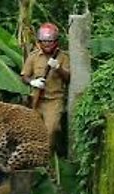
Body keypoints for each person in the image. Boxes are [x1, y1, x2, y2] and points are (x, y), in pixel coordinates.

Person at [20, 22, 70, 153]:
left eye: (50, 41)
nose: (47, 44)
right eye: (44, 42)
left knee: (50, 130)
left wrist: (58, 68)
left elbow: (68, 78)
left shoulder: (63, 57)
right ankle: (34, 155)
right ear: (39, 42)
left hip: (54, 100)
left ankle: (45, 156)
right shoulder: (33, 56)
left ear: (56, 41)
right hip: (37, 99)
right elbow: (24, 76)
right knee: (33, 130)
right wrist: (32, 82)